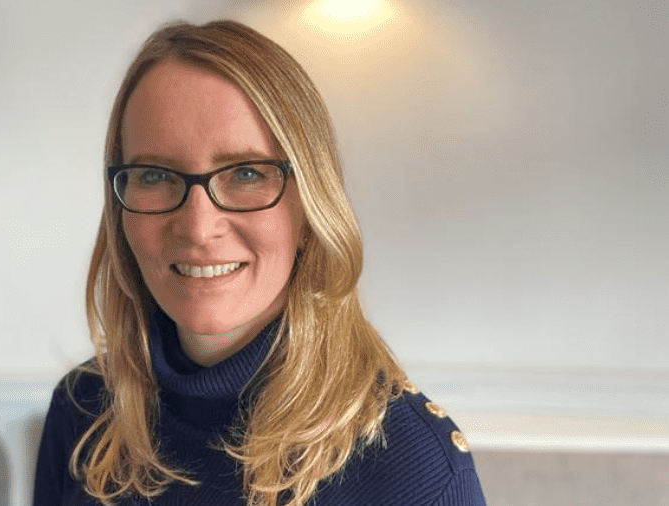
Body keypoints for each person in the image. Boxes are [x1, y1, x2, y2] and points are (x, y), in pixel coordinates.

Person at [34, 20, 487, 506]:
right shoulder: (84, 413)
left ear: (312, 207)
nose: (197, 227)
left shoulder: (416, 469)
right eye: (155, 174)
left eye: (246, 172)